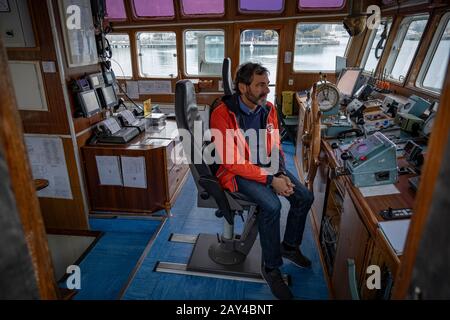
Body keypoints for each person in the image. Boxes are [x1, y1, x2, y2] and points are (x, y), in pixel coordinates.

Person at [210, 62, 314, 300]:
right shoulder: (222, 114)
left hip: (267, 166)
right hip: (235, 172)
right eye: (259, 85)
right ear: (242, 87)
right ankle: (271, 268)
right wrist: (269, 180)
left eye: (267, 84)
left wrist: (279, 172)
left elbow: (275, 143)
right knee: (272, 205)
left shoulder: (268, 108)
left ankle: (289, 246)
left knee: (305, 197)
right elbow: (232, 162)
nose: (266, 90)